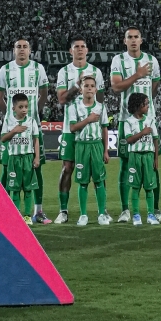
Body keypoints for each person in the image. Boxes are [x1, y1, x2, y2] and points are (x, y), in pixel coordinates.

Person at [110, 27, 161, 223]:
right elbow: (116, 87)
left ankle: (155, 209)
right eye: (130, 37)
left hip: (149, 120)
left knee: (153, 165)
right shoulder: (118, 60)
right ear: (124, 41)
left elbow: (155, 86)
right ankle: (125, 210)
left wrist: (144, 102)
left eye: (136, 37)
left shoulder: (152, 60)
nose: (133, 40)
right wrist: (138, 74)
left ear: (141, 40)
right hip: (126, 120)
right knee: (125, 164)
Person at [0, 38, 51, 223]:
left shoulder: (38, 68)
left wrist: (34, 114)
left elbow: (44, 93)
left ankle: (38, 211)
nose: (21, 49)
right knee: (6, 168)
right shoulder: (5, 70)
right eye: (18, 47)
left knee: (36, 168)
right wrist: (11, 117)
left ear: (30, 50)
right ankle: (2, 209)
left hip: (32, 127)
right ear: (14, 50)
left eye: (25, 47)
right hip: (11, 128)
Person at [54, 35, 106, 224]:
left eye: (83, 46)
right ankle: (63, 210)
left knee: (98, 170)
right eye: (76, 47)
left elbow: (99, 98)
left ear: (87, 50)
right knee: (67, 167)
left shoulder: (96, 72)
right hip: (71, 128)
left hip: (91, 129)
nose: (80, 49)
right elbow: (62, 99)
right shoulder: (64, 72)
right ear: (71, 51)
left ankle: (102, 211)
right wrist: (77, 85)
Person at [68, 75, 110, 226]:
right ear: (81, 89)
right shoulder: (74, 107)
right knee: (83, 182)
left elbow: (104, 129)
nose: (89, 88)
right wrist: (88, 119)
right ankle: (83, 215)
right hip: (82, 146)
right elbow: (72, 128)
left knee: (99, 181)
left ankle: (101, 214)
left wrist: (105, 150)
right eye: (86, 86)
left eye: (92, 86)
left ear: (96, 89)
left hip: (97, 145)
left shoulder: (101, 107)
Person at [0, 93, 40, 225]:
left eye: (26, 107)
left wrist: (37, 157)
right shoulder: (8, 121)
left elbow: (36, 140)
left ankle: (27, 216)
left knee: (28, 189)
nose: (24, 109)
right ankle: (17, 216)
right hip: (14, 159)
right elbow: (3, 139)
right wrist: (14, 131)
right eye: (21, 107)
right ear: (13, 108)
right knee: (15, 189)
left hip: (28, 158)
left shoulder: (31, 121)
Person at [125, 92, 161, 226]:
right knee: (135, 187)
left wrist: (156, 159)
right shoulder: (128, 122)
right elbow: (129, 140)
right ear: (138, 105)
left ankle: (151, 215)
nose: (148, 106)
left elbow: (155, 139)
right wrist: (142, 133)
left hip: (148, 156)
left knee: (149, 187)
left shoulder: (150, 120)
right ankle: (136, 215)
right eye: (146, 104)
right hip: (135, 156)